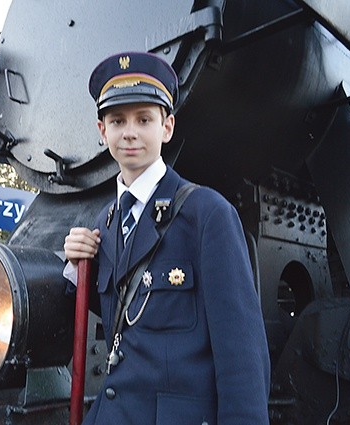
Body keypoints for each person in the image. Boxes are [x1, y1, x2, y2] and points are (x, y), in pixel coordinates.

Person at [63, 52, 270, 424]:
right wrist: (74, 267)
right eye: (117, 120)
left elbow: (243, 357)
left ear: (167, 127)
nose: (129, 132)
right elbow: (120, 319)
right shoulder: (106, 222)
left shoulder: (207, 213)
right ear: (102, 131)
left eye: (144, 119)